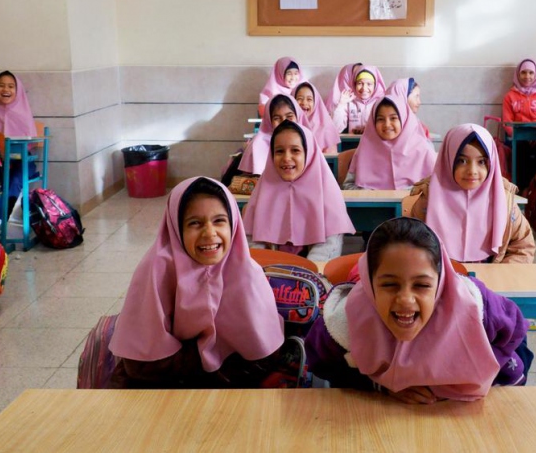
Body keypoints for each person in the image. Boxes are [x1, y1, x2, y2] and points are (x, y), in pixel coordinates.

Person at [305, 217, 532, 402]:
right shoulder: (347, 319)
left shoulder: (474, 305)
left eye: (422, 285)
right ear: (368, 283)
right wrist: (379, 384)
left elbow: (517, 331)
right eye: (389, 284)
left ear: (441, 282)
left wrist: (467, 378)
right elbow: (320, 361)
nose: (405, 300)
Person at [109, 177, 300, 389]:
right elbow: (141, 365)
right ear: (175, 227)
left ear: (234, 224)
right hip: (165, 392)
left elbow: (266, 354)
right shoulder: (156, 270)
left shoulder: (247, 273)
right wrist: (213, 359)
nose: (209, 233)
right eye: (195, 223)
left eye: (219, 221)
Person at [411, 124, 534, 263]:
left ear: (491, 164)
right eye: (462, 161)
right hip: (440, 279)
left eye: (481, 162)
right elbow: (411, 248)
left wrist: (499, 275)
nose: (472, 171)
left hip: (491, 281)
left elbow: (523, 247)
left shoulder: (504, 202)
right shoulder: (428, 200)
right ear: (448, 160)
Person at [244, 121, 354, 260]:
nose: (286, 158)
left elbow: (328, 248)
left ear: (309, 153)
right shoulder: (262, 192)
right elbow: (254, 243)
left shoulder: (328, 195)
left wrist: (304, 275)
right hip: (270, 274)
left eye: (295, 150)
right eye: (279, 151)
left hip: (311, 276)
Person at [343, 94, 435, 190]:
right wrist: (373, 196)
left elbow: (436, 187)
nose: (387, 124)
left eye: (393, 118)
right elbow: (347, 186)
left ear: (404, 119)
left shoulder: (423, 149)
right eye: (380, 119)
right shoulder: (365, 149)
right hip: (373, 204)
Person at [0, 70, 38, 220]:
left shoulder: (23, 114)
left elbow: (31, 144)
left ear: (17, 90)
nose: (6, 90)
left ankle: (0, 220)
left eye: (11, 86)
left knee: (13, 180)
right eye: (1, 85)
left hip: (23, 162)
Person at [239, 94, 304, 176]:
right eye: (276, 118)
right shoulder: (259, 143)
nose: (284, 122)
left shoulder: (306, 138)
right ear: (269, 120)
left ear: (297, 116)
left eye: (289, 116)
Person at [501, 59, 536, 137]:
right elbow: (507, 121)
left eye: (531, 73)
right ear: (518, 74)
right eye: (523, 72)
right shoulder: (510, 96)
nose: (527, 76)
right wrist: (518, 136)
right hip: (518, 137)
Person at [332, 65, 386, 134]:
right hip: (353, 143)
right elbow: (336, 128)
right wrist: (341, 105)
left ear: (375, 85)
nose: (364, 88)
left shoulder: (380, 103)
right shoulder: (350, 102)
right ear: (354, 84)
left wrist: (367, 129)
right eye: (360, 83)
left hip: (373, 143)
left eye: (369, 84)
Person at [292, 82, 340, 154]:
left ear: (316, 102)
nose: (304, 103)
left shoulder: (327, 127)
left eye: (309, 99)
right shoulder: (288, 125)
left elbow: (331, 161)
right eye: (299, 98)